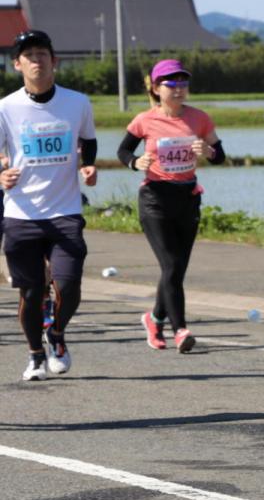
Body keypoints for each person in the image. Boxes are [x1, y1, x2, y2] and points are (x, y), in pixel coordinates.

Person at [0, 30, 97, 380]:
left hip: (65, 210)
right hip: (21, 213)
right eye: (28, 56)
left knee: (68, 286)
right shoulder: (6, 107)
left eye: (42, 54)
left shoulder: (77, 102)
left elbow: (88, 140)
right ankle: (35, 355)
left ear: (54, 61)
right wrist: (1, 173)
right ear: (17, 64)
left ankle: (56, 334)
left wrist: (88, 165)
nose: (36, 60)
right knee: (30, 291)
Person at [117, 59, 224, 352]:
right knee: (172, 265)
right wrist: (135, 162)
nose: (178, 89)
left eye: (183, 83)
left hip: (187, 198)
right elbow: (123, 150)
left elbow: (220, 154)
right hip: (155, 199)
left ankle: (154, 319)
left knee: (174, 270)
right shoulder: (144, 120)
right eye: (171, 84)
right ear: (156, 88)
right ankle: (180, 330)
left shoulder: (199, 118)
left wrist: (209, 151)